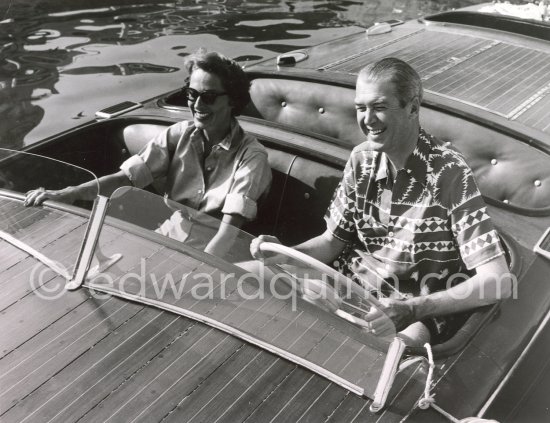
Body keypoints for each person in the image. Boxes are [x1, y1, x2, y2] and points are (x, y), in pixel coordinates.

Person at [251, 57, 512, 346]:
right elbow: (331, 242)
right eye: (361, 108)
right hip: (348, 287)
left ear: (412, 107)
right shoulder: (361, 160)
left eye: (379, 107)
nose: (367, 119)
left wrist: (411, 309)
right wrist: (284, 254)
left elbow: (497, 281)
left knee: (393, 356)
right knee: (249, 285)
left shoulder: (449, 173)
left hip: (415, 311)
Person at [25, 49, 272, 256]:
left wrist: (196, 276)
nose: (197, 105)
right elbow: (124, 180)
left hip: (219, 255)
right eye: (192, 94)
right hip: (169, 237)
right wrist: (68, 194)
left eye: (208, 97)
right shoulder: (179, 134)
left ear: (233, 101)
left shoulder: (251, 157)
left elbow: (228, 234)